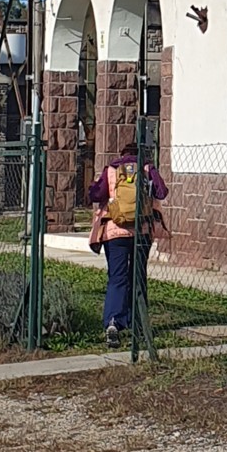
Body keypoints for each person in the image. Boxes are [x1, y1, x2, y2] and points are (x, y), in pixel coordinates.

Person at [88, 140, 168, 349]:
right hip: (141, 231)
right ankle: (139, 324)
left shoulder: (111, 170)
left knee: (117, 278)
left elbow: (95, 195)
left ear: (122, 154)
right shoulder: (147, 169)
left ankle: (113, 322)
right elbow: (162, 192)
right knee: (138, 276)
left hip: (115, 232)